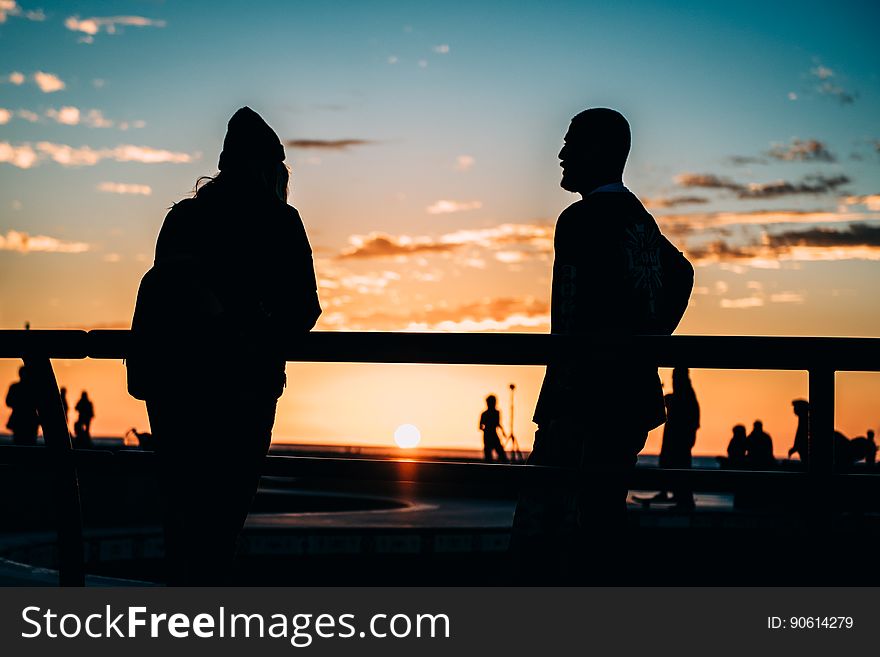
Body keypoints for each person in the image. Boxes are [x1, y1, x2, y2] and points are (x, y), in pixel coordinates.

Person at [127, 106, 321, 585]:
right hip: (243, 389)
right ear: (270, 168)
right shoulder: (279, 220)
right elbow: (304, 311)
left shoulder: (183, 218)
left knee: (181, 520)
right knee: (221, 525)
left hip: (172, 387)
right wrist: (255, 332)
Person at [511, 108, 694, 581]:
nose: (561, 154)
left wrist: (561, 396)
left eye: (571, 142)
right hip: (631, 399)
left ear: (597, 150)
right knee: (603, 516)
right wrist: (648, 341)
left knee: (550, 531)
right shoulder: (639, 220)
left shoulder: (581, 220)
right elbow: (681, 274)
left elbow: (570, 316)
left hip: (582, 401)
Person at [656, 367, 700, 509]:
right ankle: (675, 495)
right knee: (669, 463)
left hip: (679, 440)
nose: (673, 380)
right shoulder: (683, 393)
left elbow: (689, 416)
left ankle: (684, 500)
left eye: (675, 377)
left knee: (679, 467)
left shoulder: (686, 394)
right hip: (675, 438)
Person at [5, 366, 39, 446]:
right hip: (30, 420)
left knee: (19, 443)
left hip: (20, 419)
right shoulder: (34, 387)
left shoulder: (15, 387)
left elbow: (8, 402)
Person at [479, 395, 508, 462]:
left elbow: (498, 424)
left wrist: (503, 432)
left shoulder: (495, 413)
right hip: (489, 435)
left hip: (492, 435)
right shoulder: (485, 414)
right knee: (489, 456)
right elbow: (480, 426)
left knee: (500, 454)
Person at [788, 399, 809, 463]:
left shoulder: (805, 421)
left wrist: (795, 447)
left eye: (796, 407)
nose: (794, 410)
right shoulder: (803, 420)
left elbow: (802, 436)